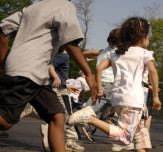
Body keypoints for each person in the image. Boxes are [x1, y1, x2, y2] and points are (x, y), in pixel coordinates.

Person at [0, 0, 96, 152]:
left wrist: (2, 64)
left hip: (38, 76)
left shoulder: (31, 8)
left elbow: (3, 29)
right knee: (5, 122)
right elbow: (70, 42)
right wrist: (89, 73)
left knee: (57, 115)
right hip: (28, 70)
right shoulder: (64, 5)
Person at [67, 17, 161, 152]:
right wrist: (156, 96)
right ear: (142, 37)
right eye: (148, 36)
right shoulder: (144, 54)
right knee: (125, 136)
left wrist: (100, 90)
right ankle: (90, 119)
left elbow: (98, 68)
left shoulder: (116, 53)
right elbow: (153, 72)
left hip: (119, 100)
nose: (148, 39)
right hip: (133, 100)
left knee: (140, 131)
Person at [81, 28, 120, 143]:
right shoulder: (117, 52)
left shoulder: (102, 51)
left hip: (100, 84)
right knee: (87, 111)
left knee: (109, 109)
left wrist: (86, 59)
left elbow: (83, 53)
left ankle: (99, 123)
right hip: (109, 85)